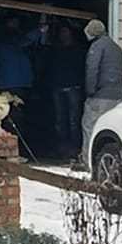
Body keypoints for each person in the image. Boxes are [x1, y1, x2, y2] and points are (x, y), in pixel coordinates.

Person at [41, 20, 89, 163]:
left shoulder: (78, 50)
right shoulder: (55, 50)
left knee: (74, 120)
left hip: (74, 88)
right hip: (58, 88)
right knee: (60, 121)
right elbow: (49, 68)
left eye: (66, 32)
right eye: (61, 33)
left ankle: (74, 150)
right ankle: (62, 150)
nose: (63, 35)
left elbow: (84, 69)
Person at [82, 18, 122, 167]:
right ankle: (107, 160)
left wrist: (90, 91)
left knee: (90, 126)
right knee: (110, 128)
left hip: (100, 96)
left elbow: (92, 70)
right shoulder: (116, 48)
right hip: (117, 96)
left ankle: (88, 160)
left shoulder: (97, 47)